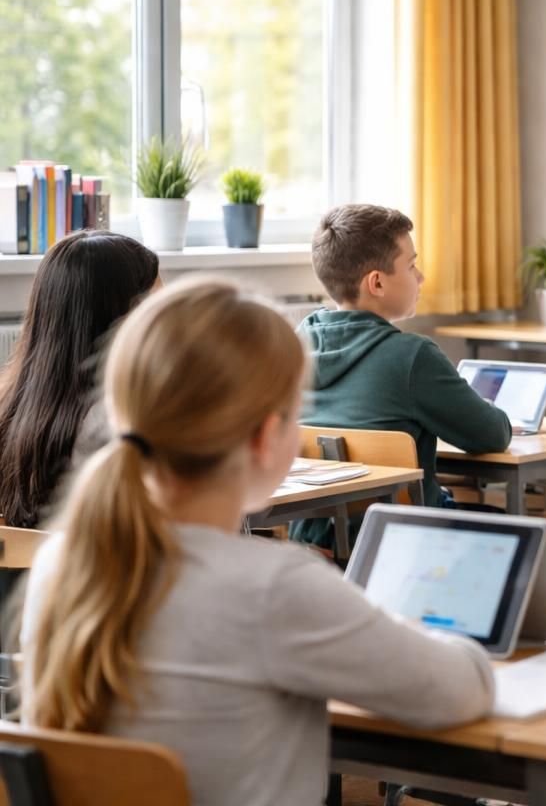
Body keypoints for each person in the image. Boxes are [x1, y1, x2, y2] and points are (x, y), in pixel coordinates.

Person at [20, 278, 493, 804]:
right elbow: (460, 691)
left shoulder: (62, 562)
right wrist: (405, 620)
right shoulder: (273, 586)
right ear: (268, 437)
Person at [291, 204, 512, 547]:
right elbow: (493, 434)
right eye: (411, 265)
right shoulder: (412, 357)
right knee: (514, 525)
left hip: (311, 541)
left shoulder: (294, 345)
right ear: (377, 283)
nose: (421, 277)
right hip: (400, 541)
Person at [0, 229, 159, 529]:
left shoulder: (12, 406)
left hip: (39, 573)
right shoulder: (119, 424)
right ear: (114, 322)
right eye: (155, 310)